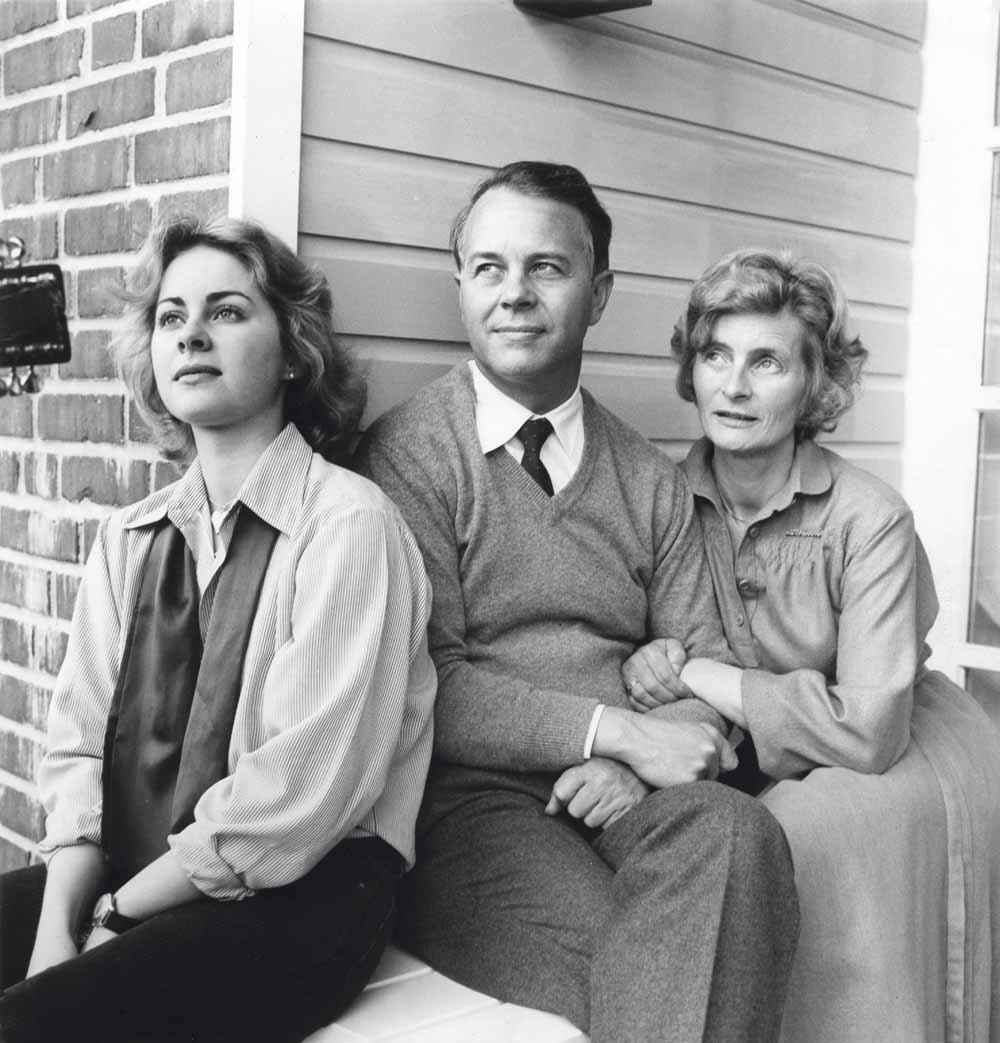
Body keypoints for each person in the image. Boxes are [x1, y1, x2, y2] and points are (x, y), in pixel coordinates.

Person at [356, 161, 800, 1043]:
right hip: (472, 812)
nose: (514, 293)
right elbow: (430, 683)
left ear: (598, 294)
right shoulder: (409, 454)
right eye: (489, 267)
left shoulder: (648, 479)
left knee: (739, 834)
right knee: (658, 960)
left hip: (624, 796)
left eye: (546, 267)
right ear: (460, 286)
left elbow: (703, 664)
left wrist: (633, 765)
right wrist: (617, 732)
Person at [0, 215, 437, 1043]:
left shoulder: (348, 526)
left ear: (295, 350)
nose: (192, 334)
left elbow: (292, 799)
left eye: (227, 311)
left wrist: (115, 916)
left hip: (304, 894)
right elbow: (78, 753)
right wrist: (57, 930)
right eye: (172, 316)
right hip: (137, 862)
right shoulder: (130, 539)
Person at [622, 248, 1000, 1041]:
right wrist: (646, 661)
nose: (734, 385)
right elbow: (635, 638)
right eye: (715, 354)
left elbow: (869, 728)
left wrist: (702, 673)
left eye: (766, 361)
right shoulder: (659, 496)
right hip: (742, 748)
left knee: (795, 836)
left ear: (815, 385)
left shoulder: (871, 517)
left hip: (888, 748)